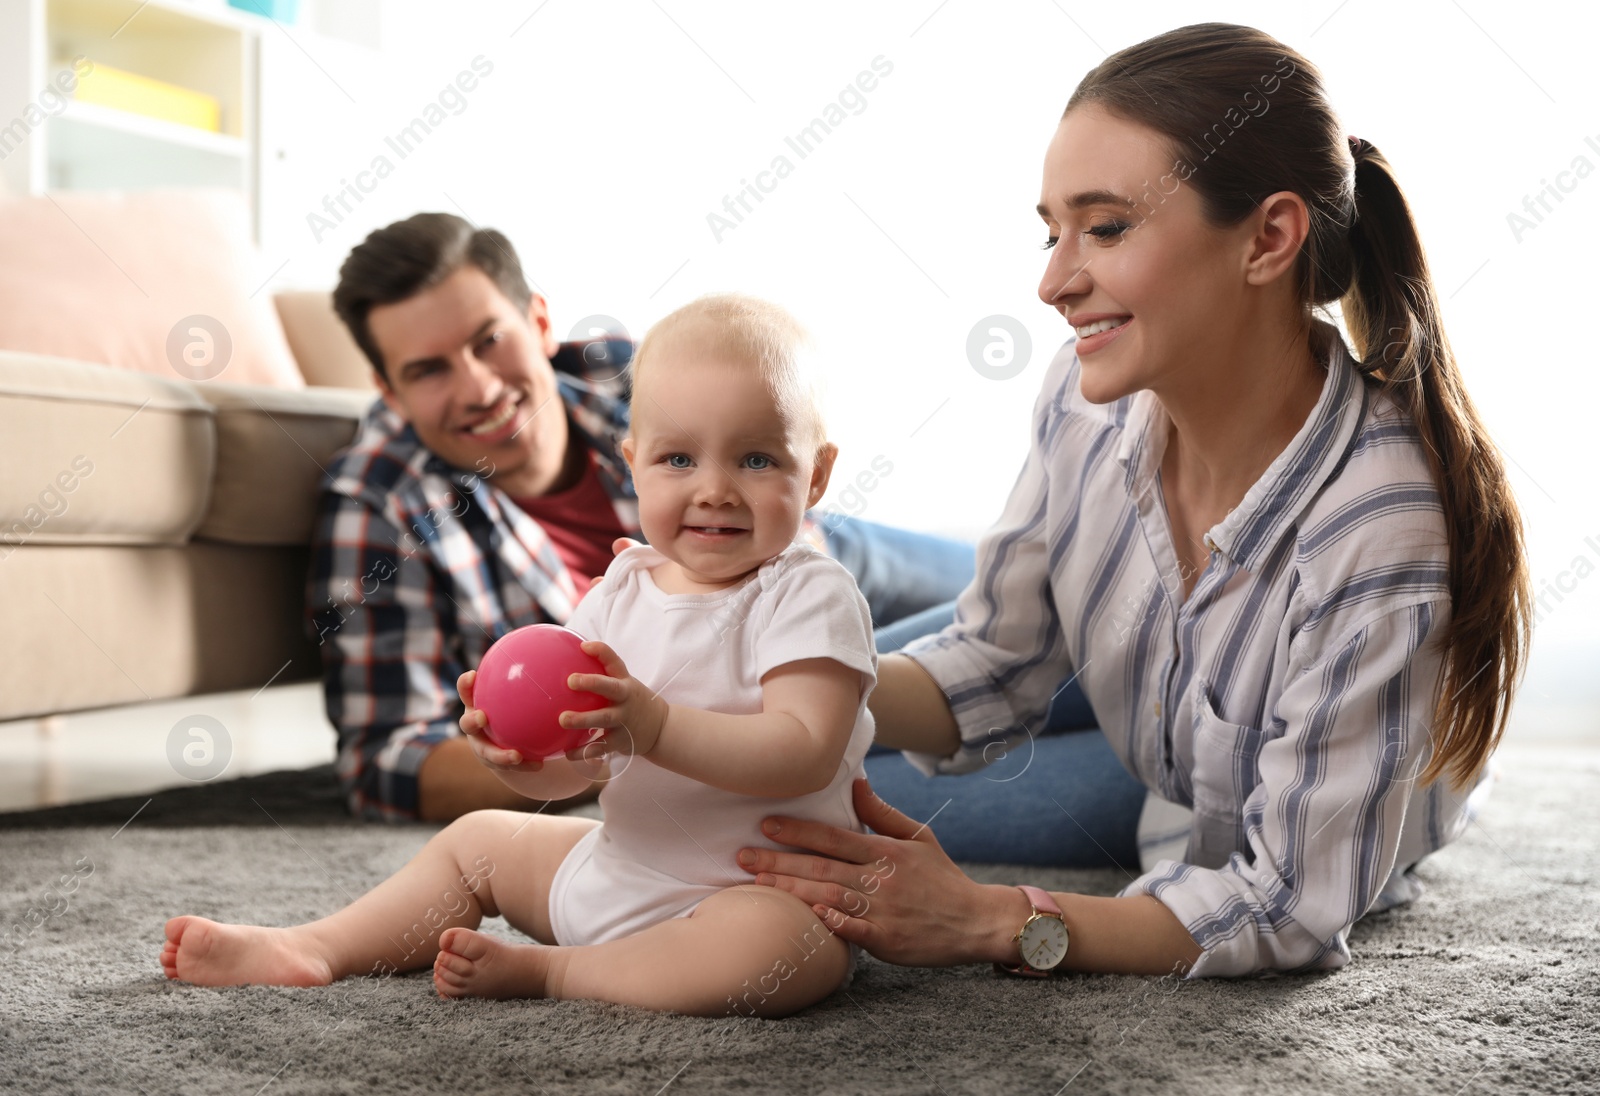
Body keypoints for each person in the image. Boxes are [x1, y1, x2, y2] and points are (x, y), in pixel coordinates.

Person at [739, 22, 1532, 979]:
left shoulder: (1382, 529)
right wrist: (770, 679)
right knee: (774, 726)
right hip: (1150, 727)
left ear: (1269, 238)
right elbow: (998, 661)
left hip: (1244, 802)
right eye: (1050, 230)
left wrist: (988, 920)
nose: (1050, 282)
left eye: (1105, 228)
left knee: (811, 806)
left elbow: (1283, 902)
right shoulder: (1083, 398)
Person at [164, 293, 875, 1016]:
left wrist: (655, 728)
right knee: (476, 839)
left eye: (756, 459)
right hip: (618, 872)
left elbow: (805, 750)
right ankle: (316, 945)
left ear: (815, 474)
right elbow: (586, 766)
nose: (714, 489)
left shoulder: (809, 593)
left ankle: (557, 974)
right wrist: (526, 760)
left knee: (785, 955)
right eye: (679, 458)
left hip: (759, 892)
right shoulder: (619, 593)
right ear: (633, 464)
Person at [310, 213, 973, 823]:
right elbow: (385, 762)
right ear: (390, 391)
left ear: (539, 322)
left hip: (809, 561)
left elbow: (778, 508)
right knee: (998, 718)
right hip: (724, 721)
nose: (479, 387)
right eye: (430, 371)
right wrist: (611, 743)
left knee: (1033, 603)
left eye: (489, 341)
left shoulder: (631, 373)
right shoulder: (380, 504)